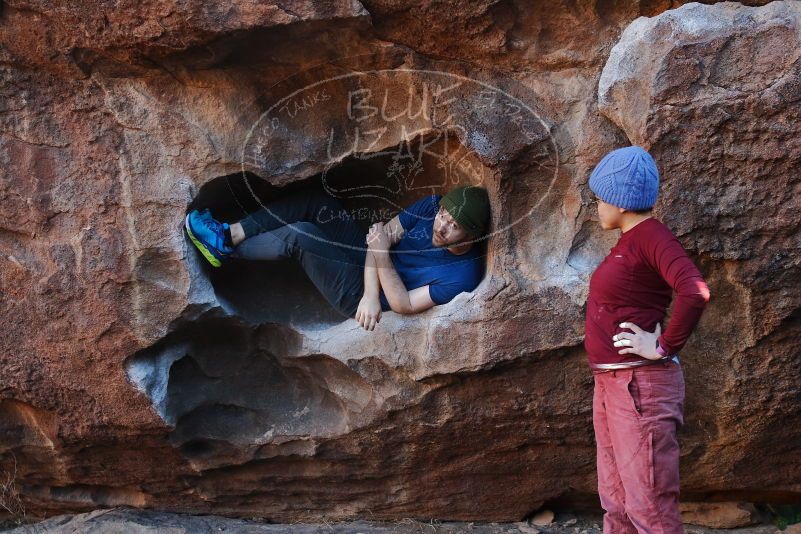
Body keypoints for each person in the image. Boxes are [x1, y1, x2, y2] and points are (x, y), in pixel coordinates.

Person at [584, 145, 711, 533]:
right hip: (612, 384)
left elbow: (695, 291)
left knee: (649, 507)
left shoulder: (653, 237)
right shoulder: (630, 242)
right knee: (617, 502)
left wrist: (661, 347)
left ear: (620, 202)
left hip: (641, 386)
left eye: (600, 197)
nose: (597, 205)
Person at [184, 185, 490, 331]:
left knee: (302, 235)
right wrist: (374, 286)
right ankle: (227, 236)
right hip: (367, 277)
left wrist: (371, 292)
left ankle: (224, 251)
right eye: (443, 216)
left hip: (355, 298)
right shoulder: (431, 206)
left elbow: (403, 303)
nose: (441, 226)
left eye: (454, 226)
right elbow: (378, 239)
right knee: (317, 202)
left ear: (472, 236)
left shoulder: (463, 274)